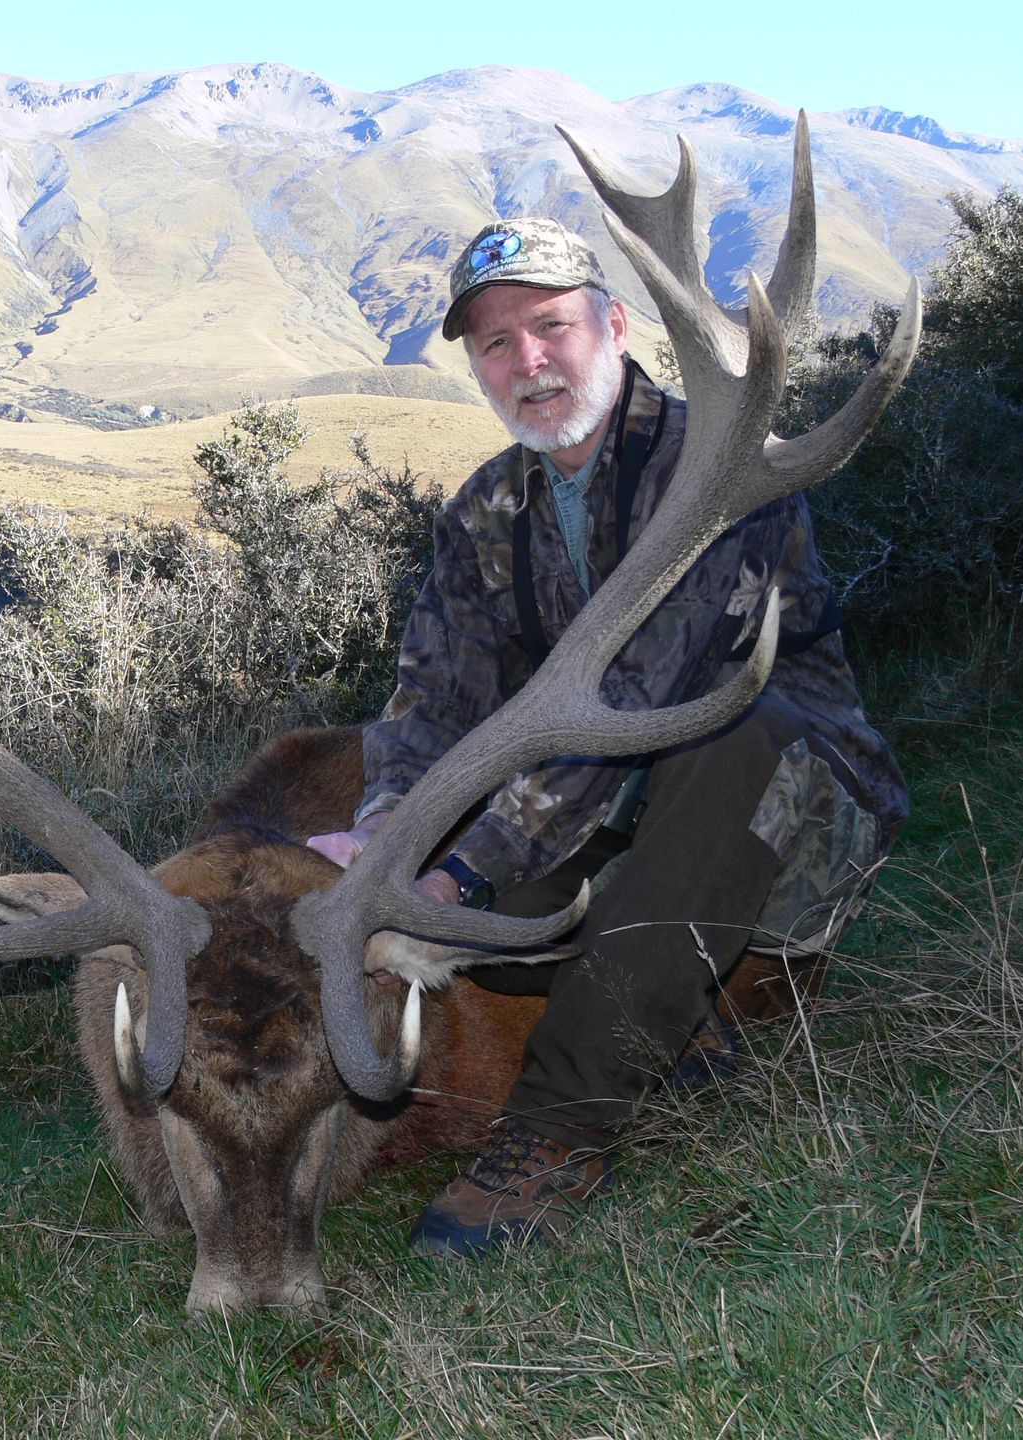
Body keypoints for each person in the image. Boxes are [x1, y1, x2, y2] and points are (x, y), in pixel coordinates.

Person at [306, 218, 908, 1256]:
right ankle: (693, 1015)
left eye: (550, 327)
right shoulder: (486, 511)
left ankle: (557, 1134)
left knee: (732, 729)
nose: (527, 361)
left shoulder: (726, 477)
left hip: (794, 814)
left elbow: (635, 707)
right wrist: (391, 830)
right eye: (494, 344)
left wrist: (457, 878)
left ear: (616, 326)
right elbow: (428, 705)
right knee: (484, 921)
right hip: (608, 815)